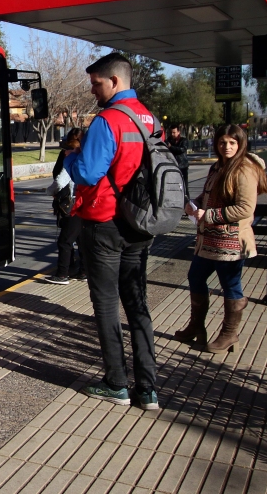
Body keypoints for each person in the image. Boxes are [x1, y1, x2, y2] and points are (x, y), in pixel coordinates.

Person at [62, 52, 162, 411]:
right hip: (139, 222)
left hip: (104, 222)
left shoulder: (108, 120)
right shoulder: (150, 118)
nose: (93, 90)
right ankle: (148, 388)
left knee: (105, 304)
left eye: (96, 83)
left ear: (114, 81)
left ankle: (117, 383)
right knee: (137, 303)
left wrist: (72, 157)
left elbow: (88, 173)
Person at [174, 124, 267, 353]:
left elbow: (245, 208)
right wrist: (194, 204)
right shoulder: (217, 166)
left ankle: (229, 333)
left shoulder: (244, 169)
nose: (226, 147)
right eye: (222, 142)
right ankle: (197, 326)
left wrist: (209, 215)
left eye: (232, 143)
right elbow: (209, 194)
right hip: (208, 240)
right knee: (195, 277)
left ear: (240, 144)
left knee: (231, 285)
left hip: (231, 241)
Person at [45, 134, 84, 284]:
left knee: (65, 241)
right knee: (80, 239)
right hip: (83, 204)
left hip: (73, 206)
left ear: (73, 149)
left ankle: (62, 274)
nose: (64, 152)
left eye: (67, 149)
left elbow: (59, 182)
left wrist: (48, 192)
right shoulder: (83, 161)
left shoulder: (71, 163)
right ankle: (83, 271)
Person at [167, 125, 190, 190]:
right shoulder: (169, 140)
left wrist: (171, 147)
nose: (172, 134)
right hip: (172, 165)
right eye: (171, 132)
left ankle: (186, 198)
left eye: (174, 132)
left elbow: (182, 149)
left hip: (182, 165)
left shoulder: (183, 140)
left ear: (178, 132)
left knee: (184, 184)